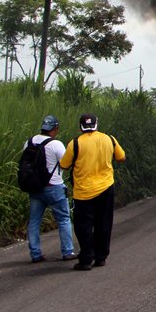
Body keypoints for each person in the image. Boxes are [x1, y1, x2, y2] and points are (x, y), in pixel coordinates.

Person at [60, 113, 126, 271]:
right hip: (106, 188)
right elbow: (121, 157)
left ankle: (86, 259)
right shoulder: (109, 139)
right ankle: (101, 257)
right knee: (104, 223)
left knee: (83, 226)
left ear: (80, 126)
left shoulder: (74, 143)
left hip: (83, 192)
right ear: (97, 124)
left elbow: (64, 165)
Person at [25, 115, 77, 263]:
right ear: (55, 128)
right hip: (54, 187)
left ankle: (35, 254)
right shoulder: (56, 144)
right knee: (64, 219)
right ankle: (67, 251)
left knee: (34, 221)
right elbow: (66, 163)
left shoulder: (29, 142)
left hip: (35, 188)